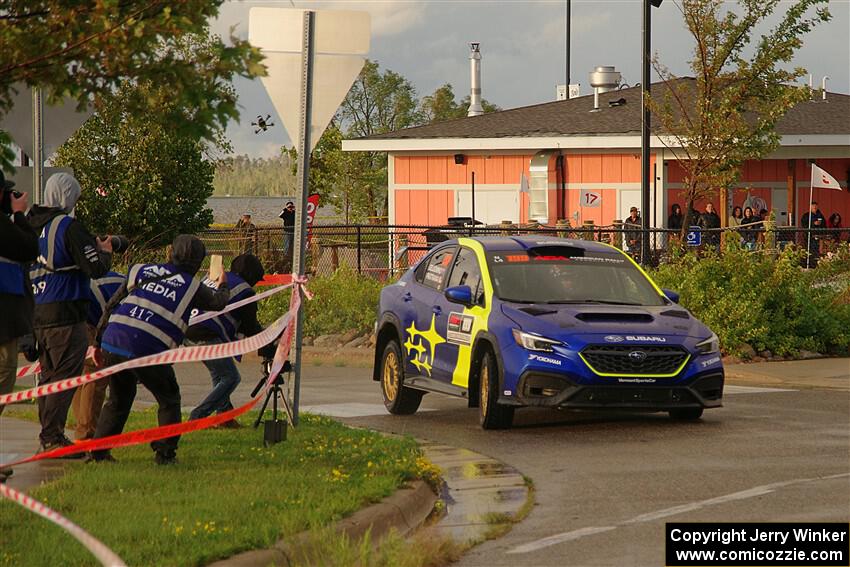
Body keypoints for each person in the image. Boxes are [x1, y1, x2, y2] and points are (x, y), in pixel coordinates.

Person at [89, 235, 230, 465]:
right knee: (169, 400)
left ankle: (99, 452)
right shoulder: (192, 286)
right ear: (196, 261)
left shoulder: (140, 270)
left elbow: (112, 304)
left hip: (114, 340)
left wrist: (97, 342)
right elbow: (218, 302)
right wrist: (223, 283)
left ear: (171, 253)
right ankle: (165, 453)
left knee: (118, 398)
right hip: (148, 348)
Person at [27, 173, 113, 456]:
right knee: (66, 376)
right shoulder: (68, 227)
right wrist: (105, 252)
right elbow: (96, 269)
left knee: (49, 377)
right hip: (65, 311)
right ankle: (51, 436)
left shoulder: (30, 225)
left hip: (37, 311)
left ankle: (49, 434)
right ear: (68, 197)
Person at [184, 253, 276, 426]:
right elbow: (250, 328)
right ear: (252, 276)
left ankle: (224, 416)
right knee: (231, 377)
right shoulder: (245, 292)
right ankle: (197, 417)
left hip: (186, 329)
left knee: (219, 374)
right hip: (207, 333)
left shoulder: (215, 276)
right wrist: (269, 337)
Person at [0, 172, 39, 483]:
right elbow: (29, 248)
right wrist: (18, 214)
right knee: (3, 376)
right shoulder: (3, 225)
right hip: (2, 322)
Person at [70, 271, 126, 441]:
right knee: (96, 377)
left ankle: (80, 425)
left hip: (72, 320)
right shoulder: (126, 284)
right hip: (91, 324)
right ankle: (87, 433)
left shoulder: (113, 278)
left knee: (80, 376)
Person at [800, 202, 826, 268]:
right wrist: (813, 223)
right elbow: (804, 225)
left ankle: (817, 264)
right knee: (809, 250)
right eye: (813, 206)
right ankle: (808, 264)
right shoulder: (806, 216)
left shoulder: (820, 215)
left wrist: (820, 223)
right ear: (810, 207)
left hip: (819, 236)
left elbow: (824, 225)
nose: (815, 208)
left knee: (818, 251)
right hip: (809, 236)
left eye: (816, 206)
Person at [279, 201, 295, 268]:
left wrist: (294, 209)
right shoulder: (285, 213)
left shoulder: (295, 213)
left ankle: (293, 255)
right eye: (289, 207)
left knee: (293, 244)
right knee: (287, 244)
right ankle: (286, 255)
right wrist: (285, 209)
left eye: (291, 207)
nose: (290, 208)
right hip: (287, 231)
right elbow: (279, 215)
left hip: (294, 231)